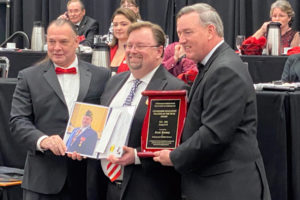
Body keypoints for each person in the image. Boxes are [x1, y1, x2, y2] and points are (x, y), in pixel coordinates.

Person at [153, 3, 271, 200]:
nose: (181, 41)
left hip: (225, 188)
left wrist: (174, 157)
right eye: (179, 33)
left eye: (187, 32)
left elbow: (214, 134)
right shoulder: (214, 64)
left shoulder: (224, 70)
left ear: (210, 31)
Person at [9, 19, 111, 200]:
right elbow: (18, 121)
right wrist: (43, 140)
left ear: (76, 41)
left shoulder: (100, 76)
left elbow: (108, 118)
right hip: (43, 179)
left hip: (88, 179)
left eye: (63, 42)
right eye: (51, 42)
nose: (57, 47)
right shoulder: (28, 77)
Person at [87, 21, 189, 200]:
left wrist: (135, 156)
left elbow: (174, 144)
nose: (132, 51)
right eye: (129, 45)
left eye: (140, 46)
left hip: (146, 190)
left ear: (159, 51)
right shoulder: (114, 82)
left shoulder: (173, 89)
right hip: (106, 187)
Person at [109, 8, 138, 74]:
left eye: (124, 24)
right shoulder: (108, 50)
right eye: (115, 25)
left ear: (134, 25)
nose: (118, 28)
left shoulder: (138, 51)